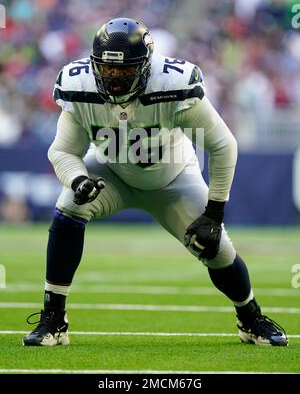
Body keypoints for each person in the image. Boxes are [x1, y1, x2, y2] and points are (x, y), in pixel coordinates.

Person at [23, 18, 287, 347]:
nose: (115, 79)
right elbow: (62, 151)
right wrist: (77, 180)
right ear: (95, 66)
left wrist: (215, 213)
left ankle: (249, 318)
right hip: (111, 174)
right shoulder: (81, 87)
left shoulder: (173, 83)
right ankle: (53, 320)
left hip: (172, 178)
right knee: (68, 206)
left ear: (146, 67)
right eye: (107, 70)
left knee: (217, 249)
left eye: (125, 71)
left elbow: (222, 145)